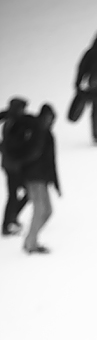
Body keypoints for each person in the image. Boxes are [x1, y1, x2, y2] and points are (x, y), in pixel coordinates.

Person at [20, 104, 61, 254]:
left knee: (47, 211)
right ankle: (31, 244)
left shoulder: (45, 132)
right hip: (34, 178)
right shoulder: (36, 132)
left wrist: (55, 182)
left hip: (42, 178)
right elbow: (30, 155)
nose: (50, 120)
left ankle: (30, 240)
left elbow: (50, 160)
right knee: (40, 210)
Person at [0, 97, 29, 236]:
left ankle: (11, 219)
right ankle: (7, 224)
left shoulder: (10, 121)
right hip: (14, 166)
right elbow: (15, 146)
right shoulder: (14, 124)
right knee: (17, 193)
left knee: (17, 193)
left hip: (10, 164)